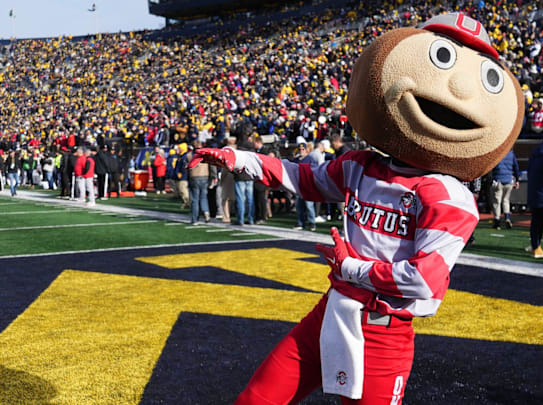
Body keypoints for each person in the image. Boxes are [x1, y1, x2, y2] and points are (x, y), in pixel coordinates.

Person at [189, 12, 523, 404]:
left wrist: (352, 268)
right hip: (330, 313)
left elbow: (425, 282)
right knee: (257, 398)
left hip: (384, 329)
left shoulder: (447, 195)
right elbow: (304, 179)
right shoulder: (361, 165)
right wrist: (239, 158)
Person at [490, 150, 520, 229]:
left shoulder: (497, 153)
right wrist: (517, 180)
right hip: (509, 180)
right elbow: (516, 167)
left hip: (498, 180)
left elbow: (492, 166)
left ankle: (497, 221)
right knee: (506, 200)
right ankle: (507, 217)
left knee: (497, 202)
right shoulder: (511, 154)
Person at [188, 144, 217, 224]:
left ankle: (195, 218)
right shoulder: (206, 155)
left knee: (195, 199)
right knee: (204, 197)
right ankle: (206, 213)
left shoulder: (189, 155)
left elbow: (186, 167)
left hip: (194, 177)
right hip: (205, 176)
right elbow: (212, 166)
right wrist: (214, 176)